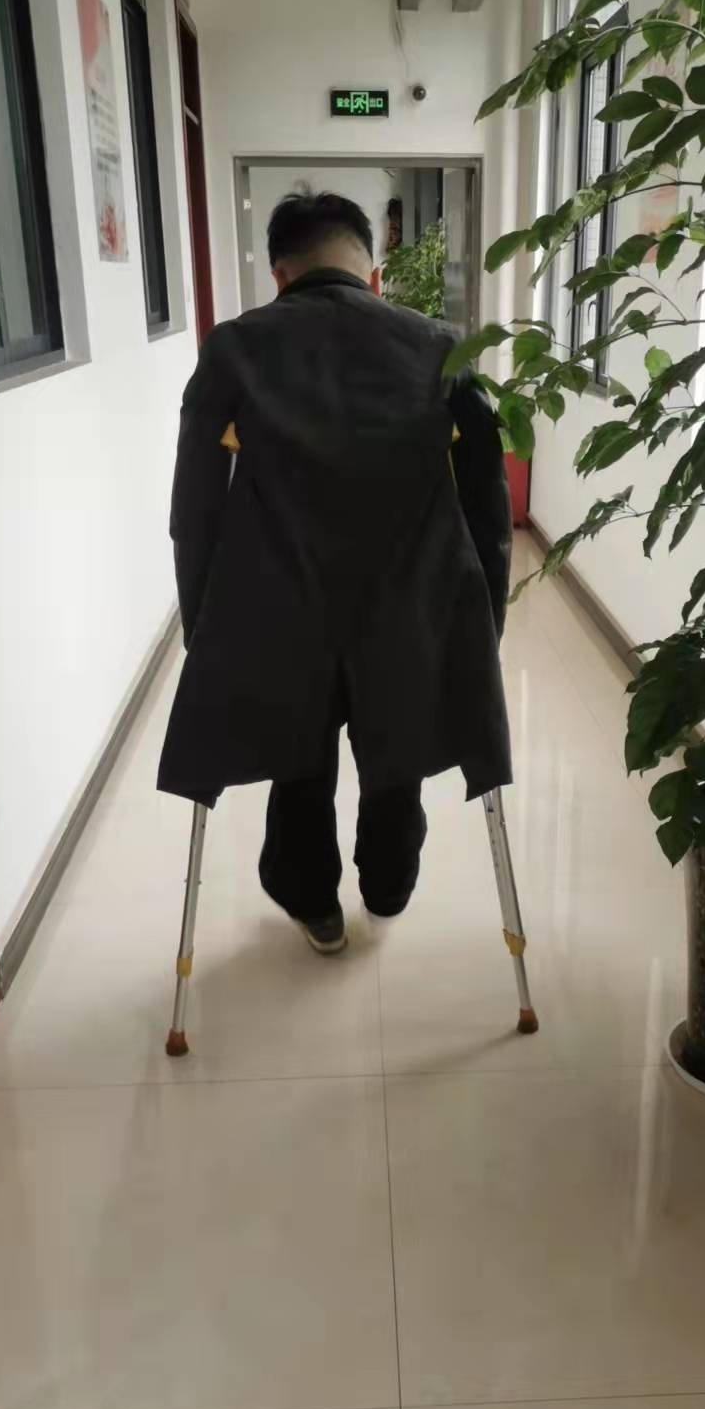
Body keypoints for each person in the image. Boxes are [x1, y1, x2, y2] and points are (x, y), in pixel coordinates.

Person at [157, 191, 512, 955]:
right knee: (397, 746)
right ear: (373, 273)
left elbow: (195, 505)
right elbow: (487, 498)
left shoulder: (236, 347)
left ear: (279, 275)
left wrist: (204, 625)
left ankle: (312, 902)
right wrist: (483, 620)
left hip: (280, 598)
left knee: (298, 757)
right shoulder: (439, 346)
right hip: (411, 598)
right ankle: (387, 887)